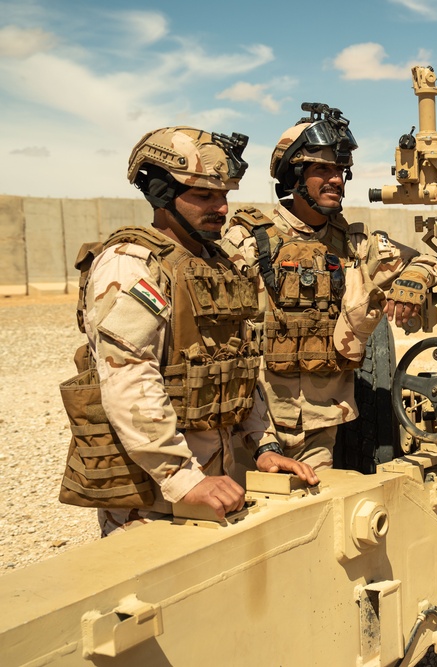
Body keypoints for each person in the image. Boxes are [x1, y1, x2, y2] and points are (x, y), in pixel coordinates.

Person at [62, 126, 317, 537]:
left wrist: (263, 445)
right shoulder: (131, 264)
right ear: (162, 194)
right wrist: (183, 478)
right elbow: (128, 379)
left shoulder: (216, 263)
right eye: (204, 195)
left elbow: (238, 365)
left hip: (214, 481)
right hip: (154, 495)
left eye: (224, 195)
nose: (221, 207)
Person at [220, 104, 437, 471]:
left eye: (340, 171)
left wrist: (411, 282)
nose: (336, 180)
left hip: (320, 431)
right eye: (322, 169)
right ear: (294, 175)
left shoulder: (353, 244)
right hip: (253, 427)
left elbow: (425, 260)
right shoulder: (248, 241)